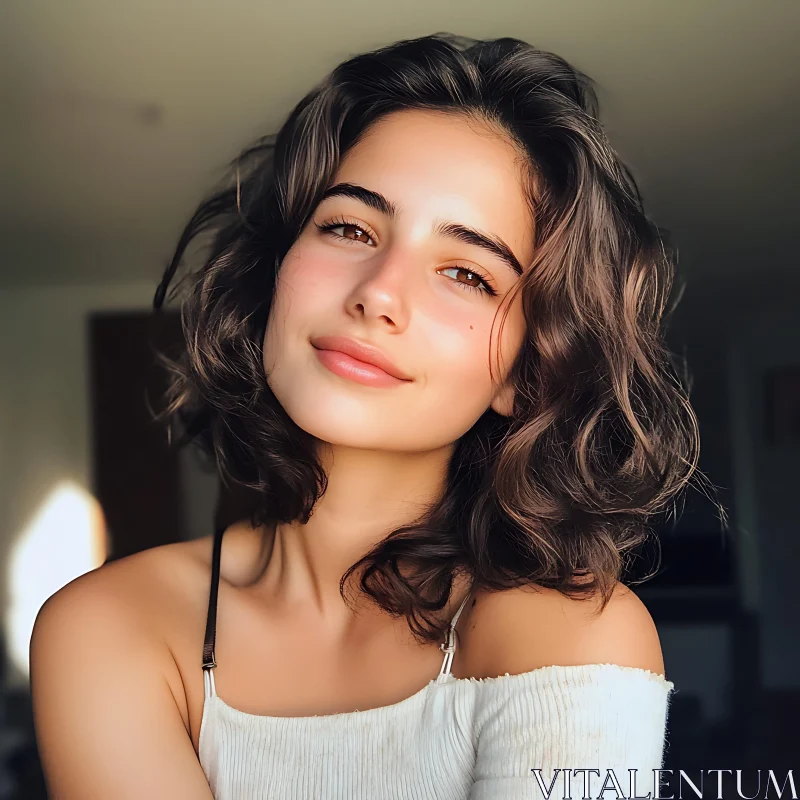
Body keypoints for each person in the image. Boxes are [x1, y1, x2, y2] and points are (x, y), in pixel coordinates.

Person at [30, 32, 703, 799]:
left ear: (525, 372)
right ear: (274, 276)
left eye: (466, 273)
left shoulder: (573, 634)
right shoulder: (108, 628)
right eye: (350, 228)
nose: (379, 292)